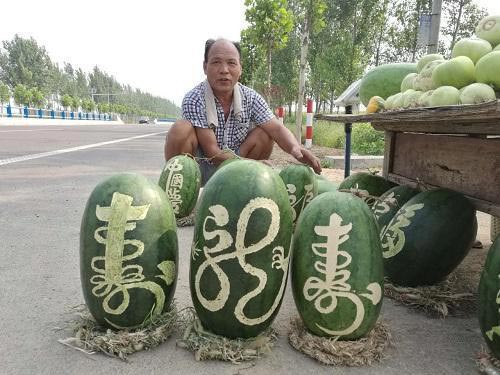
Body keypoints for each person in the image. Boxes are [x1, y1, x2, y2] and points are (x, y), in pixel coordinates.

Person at [164, 38, 322, 184]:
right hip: (202, 167)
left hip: (239, 168)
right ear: (205, 67)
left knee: (266, 133)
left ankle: (245, 188)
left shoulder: (251, 98)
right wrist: (253, 165)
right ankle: (181, 191)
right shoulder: (194, 98)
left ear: (240, 68)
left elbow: (277, 129)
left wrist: (296, 149)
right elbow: (212, 152)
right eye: (216, 62)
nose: (224, 70)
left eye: (232, 63)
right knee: (180, 129)